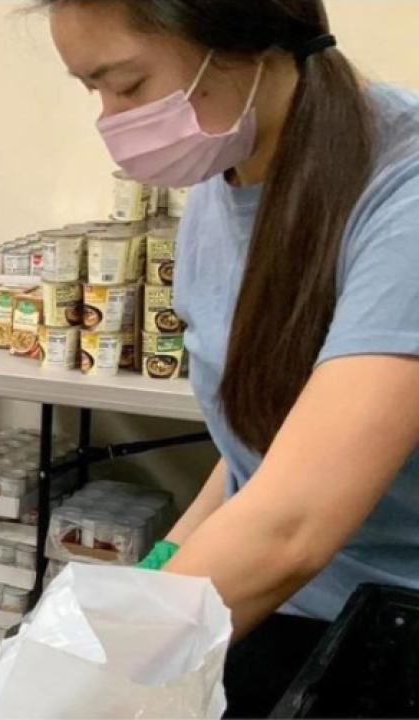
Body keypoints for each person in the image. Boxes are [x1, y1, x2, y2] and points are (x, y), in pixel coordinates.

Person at [43, 0, 419, 716]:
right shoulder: (226, 183)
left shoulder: (402, 193)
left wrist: (86, 686)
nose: (112, 122)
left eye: (127, 86)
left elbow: (292, 524)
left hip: (390, 629)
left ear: (246, 41)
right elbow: (261, 445)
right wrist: (161, 573)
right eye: (92, 91)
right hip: (283, 605)